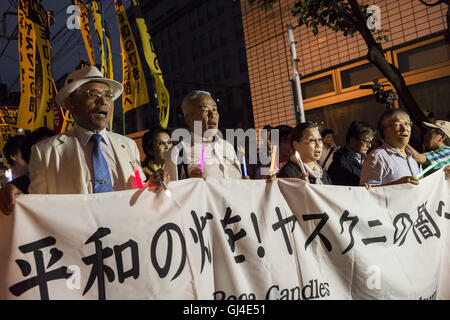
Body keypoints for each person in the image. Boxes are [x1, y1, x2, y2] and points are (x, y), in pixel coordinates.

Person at [0, 66, 152, 215]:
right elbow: (38, 209)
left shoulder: (128, 146)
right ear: (70, 103)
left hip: (126, 236)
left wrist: (154, 185)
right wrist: (18, 196)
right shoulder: (45, 152)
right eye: (93, 94)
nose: (103, 101)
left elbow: (140, 189)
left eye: (108, 95)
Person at [165, 90, 242, 180]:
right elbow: (172, 190)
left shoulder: (228, 147)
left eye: (214, 109)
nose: (212, 115)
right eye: (204, 110)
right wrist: (191, 183)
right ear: (188, 120)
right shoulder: (178, 152)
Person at [360, 109, 420, 187]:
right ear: (385, 130)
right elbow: (366, 193)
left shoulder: (411, 159)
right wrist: (398, 184)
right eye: (397, 124)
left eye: (407, 124)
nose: (405, 128)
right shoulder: (378, 157)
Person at [328, 121, 376, 186]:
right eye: (366, 141)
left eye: (371, 142)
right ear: (352, 140)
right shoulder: (340, 162)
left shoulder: (367, 157)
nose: (369, 146)